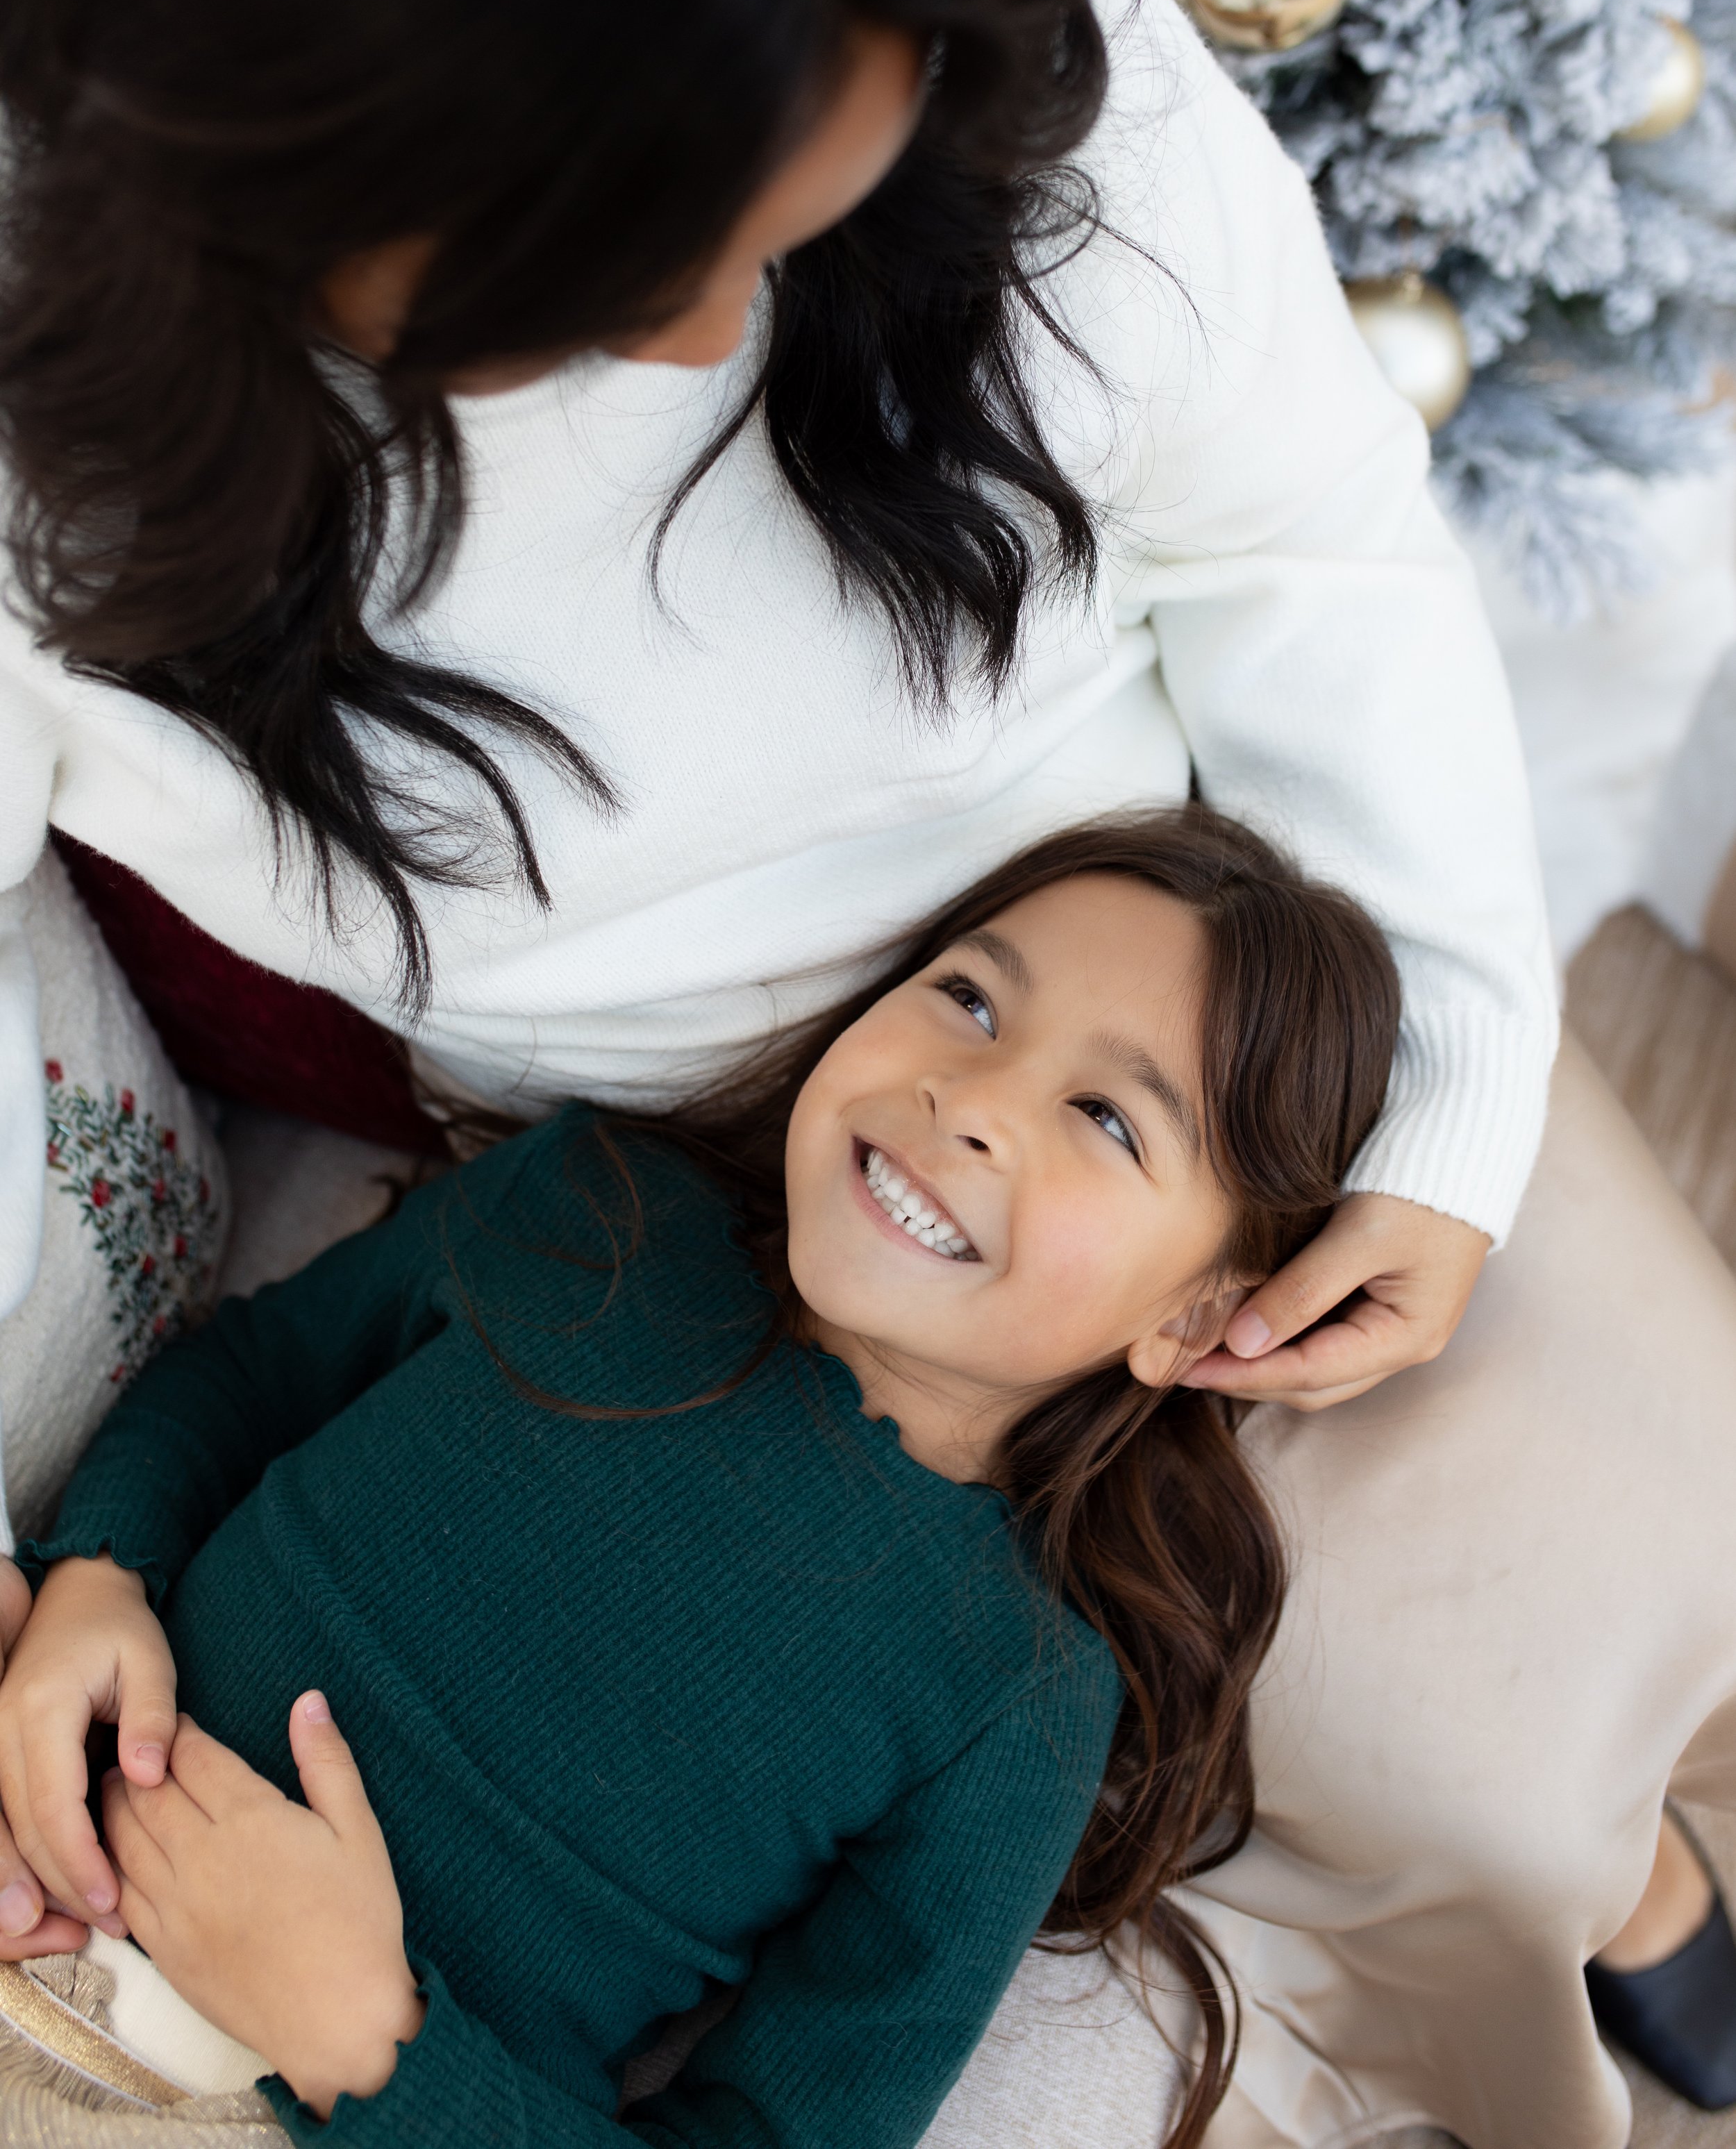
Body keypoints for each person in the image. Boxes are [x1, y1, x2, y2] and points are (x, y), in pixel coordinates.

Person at [0, 0, 1730, 2137]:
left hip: (1234, 961)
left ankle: (1629, 1892)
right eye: (615, 266)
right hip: (700, 1157)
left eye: (804, 193)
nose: (713, 340)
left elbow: (1299, 531)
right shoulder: (83, 431)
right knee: (1390, 1740)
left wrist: (1445, 1095)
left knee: (1559, 1660)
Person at [0, 810, 1400, 2148]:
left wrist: (368, 2039)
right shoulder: (594, 1200)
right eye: (970, 1002)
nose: (966, 1099)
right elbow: (249, 1376)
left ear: (1193, 1320)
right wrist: (100, 1576)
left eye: (1106, 1119)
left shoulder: (1014, 1691)